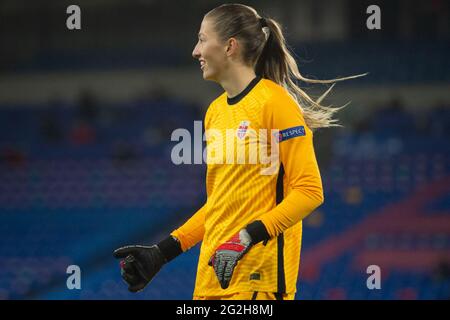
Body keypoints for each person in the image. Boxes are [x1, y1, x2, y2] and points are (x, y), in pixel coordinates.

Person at [114, 3, 365, 300]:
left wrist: (247, 236)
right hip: (210, 283)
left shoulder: (275, 103)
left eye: (202, 39)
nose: (195, 51)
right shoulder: (215, 112)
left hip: (257, 282)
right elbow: (220, 204)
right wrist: (163, 252)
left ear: (230, 46)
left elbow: (310, 191)